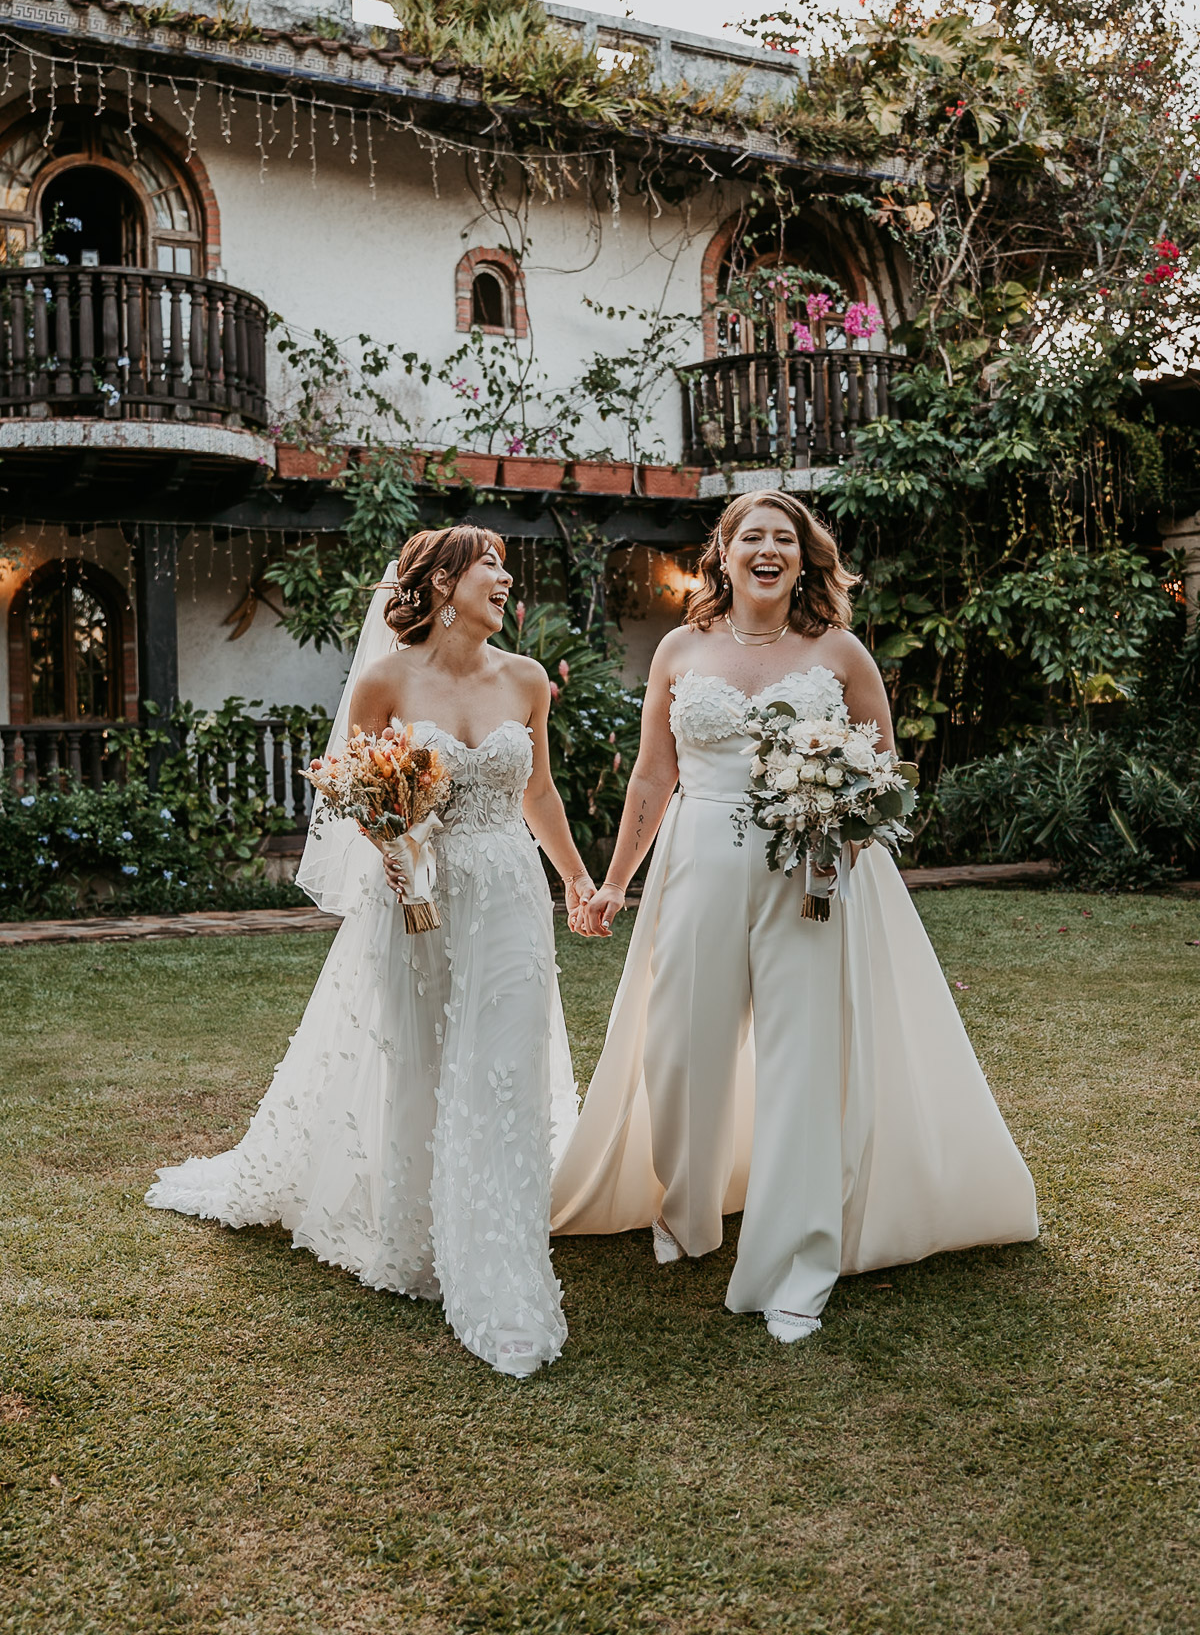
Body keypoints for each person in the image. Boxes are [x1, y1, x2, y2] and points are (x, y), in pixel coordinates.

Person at [553, 489, 1037, 1342]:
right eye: (752, 537)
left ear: (805, 558)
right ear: (725, 554)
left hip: (808, 872)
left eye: (785, 538)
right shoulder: (679, 647)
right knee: (679, 1050)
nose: (768, 550)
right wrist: (616, 881)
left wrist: (840, 834)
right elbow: (651, 778)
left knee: (802, 1063)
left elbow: (885, 773)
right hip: (696, 860)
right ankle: (687, 1213)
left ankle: (795, 1263)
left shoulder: (840, 652)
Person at [147, 526, 595, 1378]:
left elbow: (537, 791)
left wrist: (575, 881)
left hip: (507, 895)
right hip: (417, 897)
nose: (505, 577)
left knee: (502, 1064)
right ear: (437, 585)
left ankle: (497, 1247)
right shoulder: (385, 680)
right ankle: (417, 1232)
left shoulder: (528, 680)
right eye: (487, 564)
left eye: (505, 562)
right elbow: (358, 791)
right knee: (421, 1058)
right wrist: (393, 849)